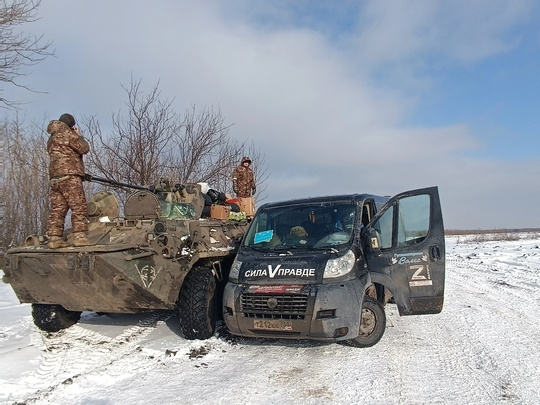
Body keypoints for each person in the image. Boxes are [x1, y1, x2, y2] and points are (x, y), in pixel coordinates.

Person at [46, 113, 94, 248]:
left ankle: (54, 238)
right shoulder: (67, 133)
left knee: (58, 209)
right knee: (79, 206)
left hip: (55, 178)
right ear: (71, 125)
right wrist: (79, 135)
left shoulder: (51, 138)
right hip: (70, 176)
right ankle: (79, 237)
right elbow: (84, 148)